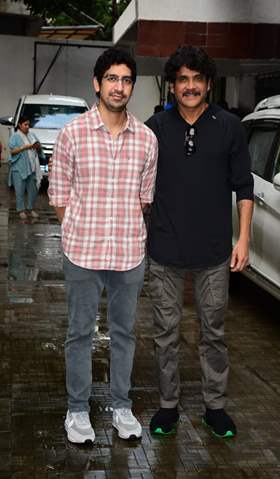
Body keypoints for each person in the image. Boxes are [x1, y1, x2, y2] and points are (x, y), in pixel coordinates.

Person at [48, 47, 158, 443]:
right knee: (79, 333)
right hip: (82, 253)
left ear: (132, 86)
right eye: (111, 78)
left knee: (125, 333)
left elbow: (145, 199)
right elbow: (59, 196)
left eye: (126, 79)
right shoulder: (72, 134)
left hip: (129, 254)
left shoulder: (147, 139)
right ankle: (77, 411)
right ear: (97, 84)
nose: (119, 86)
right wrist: (82, 231)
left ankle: (122, 406)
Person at [145, 45, 254, 438]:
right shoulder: (154, 129)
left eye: (197, 79)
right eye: (182, 80)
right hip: (165, 251)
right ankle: (168, 406)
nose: (190, 87)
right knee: (165, 333)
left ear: (209, 83)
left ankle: (215, 408)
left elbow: (244, 186)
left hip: (214, 253)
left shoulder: (229, 127)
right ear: (172, 86)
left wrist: (243, 239)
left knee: (215, 332)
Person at [8, 116, 44, 220]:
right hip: (19, 168)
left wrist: (38, 146)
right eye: (25, 125)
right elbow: (12, 151)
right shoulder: (15, 136)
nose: (28, 127)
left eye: (29, 125)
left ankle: (30, 208)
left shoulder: (32, 135)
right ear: (20, 125)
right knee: (19, 191)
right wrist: (25, 147)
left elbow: (39, 146)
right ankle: (21, 210)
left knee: (33, 190)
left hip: (32, 167)